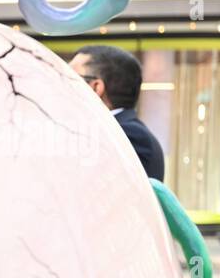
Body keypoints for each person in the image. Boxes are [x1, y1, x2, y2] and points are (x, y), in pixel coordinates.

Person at [70, 44, 164, 181]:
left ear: (96, 88)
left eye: (70, 78)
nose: (63, 86)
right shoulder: (123, 130)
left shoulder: (128, 135)